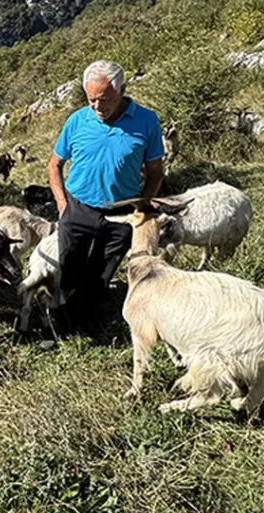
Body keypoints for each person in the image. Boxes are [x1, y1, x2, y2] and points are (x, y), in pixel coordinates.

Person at [47, 60, 165, 330]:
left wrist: (142, 207)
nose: (98, 107)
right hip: (77, 208)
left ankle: (90, 319)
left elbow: (156, 172)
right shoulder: (78, 120)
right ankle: (62, 324)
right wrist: (63, 204)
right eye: (91, 100)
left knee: (103, 272)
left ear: (121, 90)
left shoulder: (146, 121)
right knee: (69, 268)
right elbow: (54, 165)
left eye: (105, 99)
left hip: (122, 212)